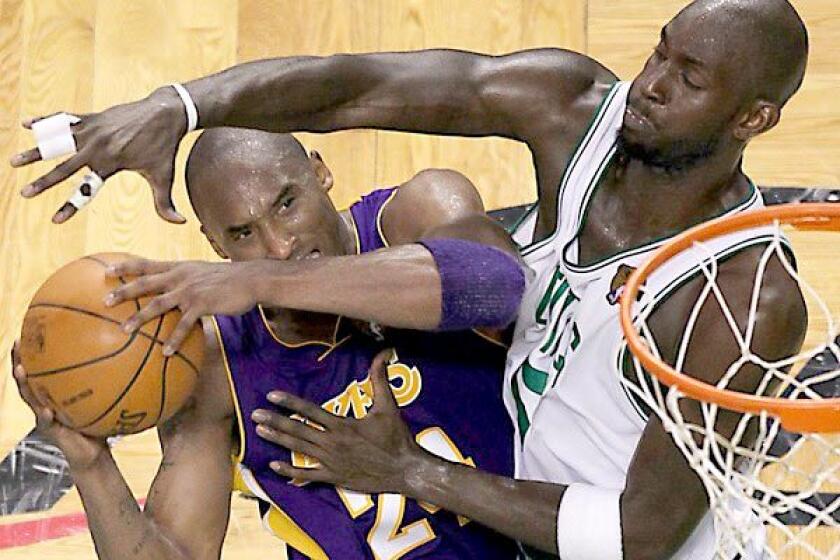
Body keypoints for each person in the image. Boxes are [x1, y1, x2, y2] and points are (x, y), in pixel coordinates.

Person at [13, 0, 810, 557]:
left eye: (690, 79)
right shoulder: (577, 112)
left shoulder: (743, 301)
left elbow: (493, 292)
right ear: (212, 239)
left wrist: (407, 472)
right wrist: (181, 105)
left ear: (752, 119)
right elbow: (358, 83)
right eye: (658, 50)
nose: (652, 84)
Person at [12, 128, 524, 559]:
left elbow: (499, 290)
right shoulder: (215, 365)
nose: (279, 246)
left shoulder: (415, 215)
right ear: (213, 245)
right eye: (242, 235)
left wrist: (266, 281)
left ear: (319, 172)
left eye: (287, 203)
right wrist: (90, 465)